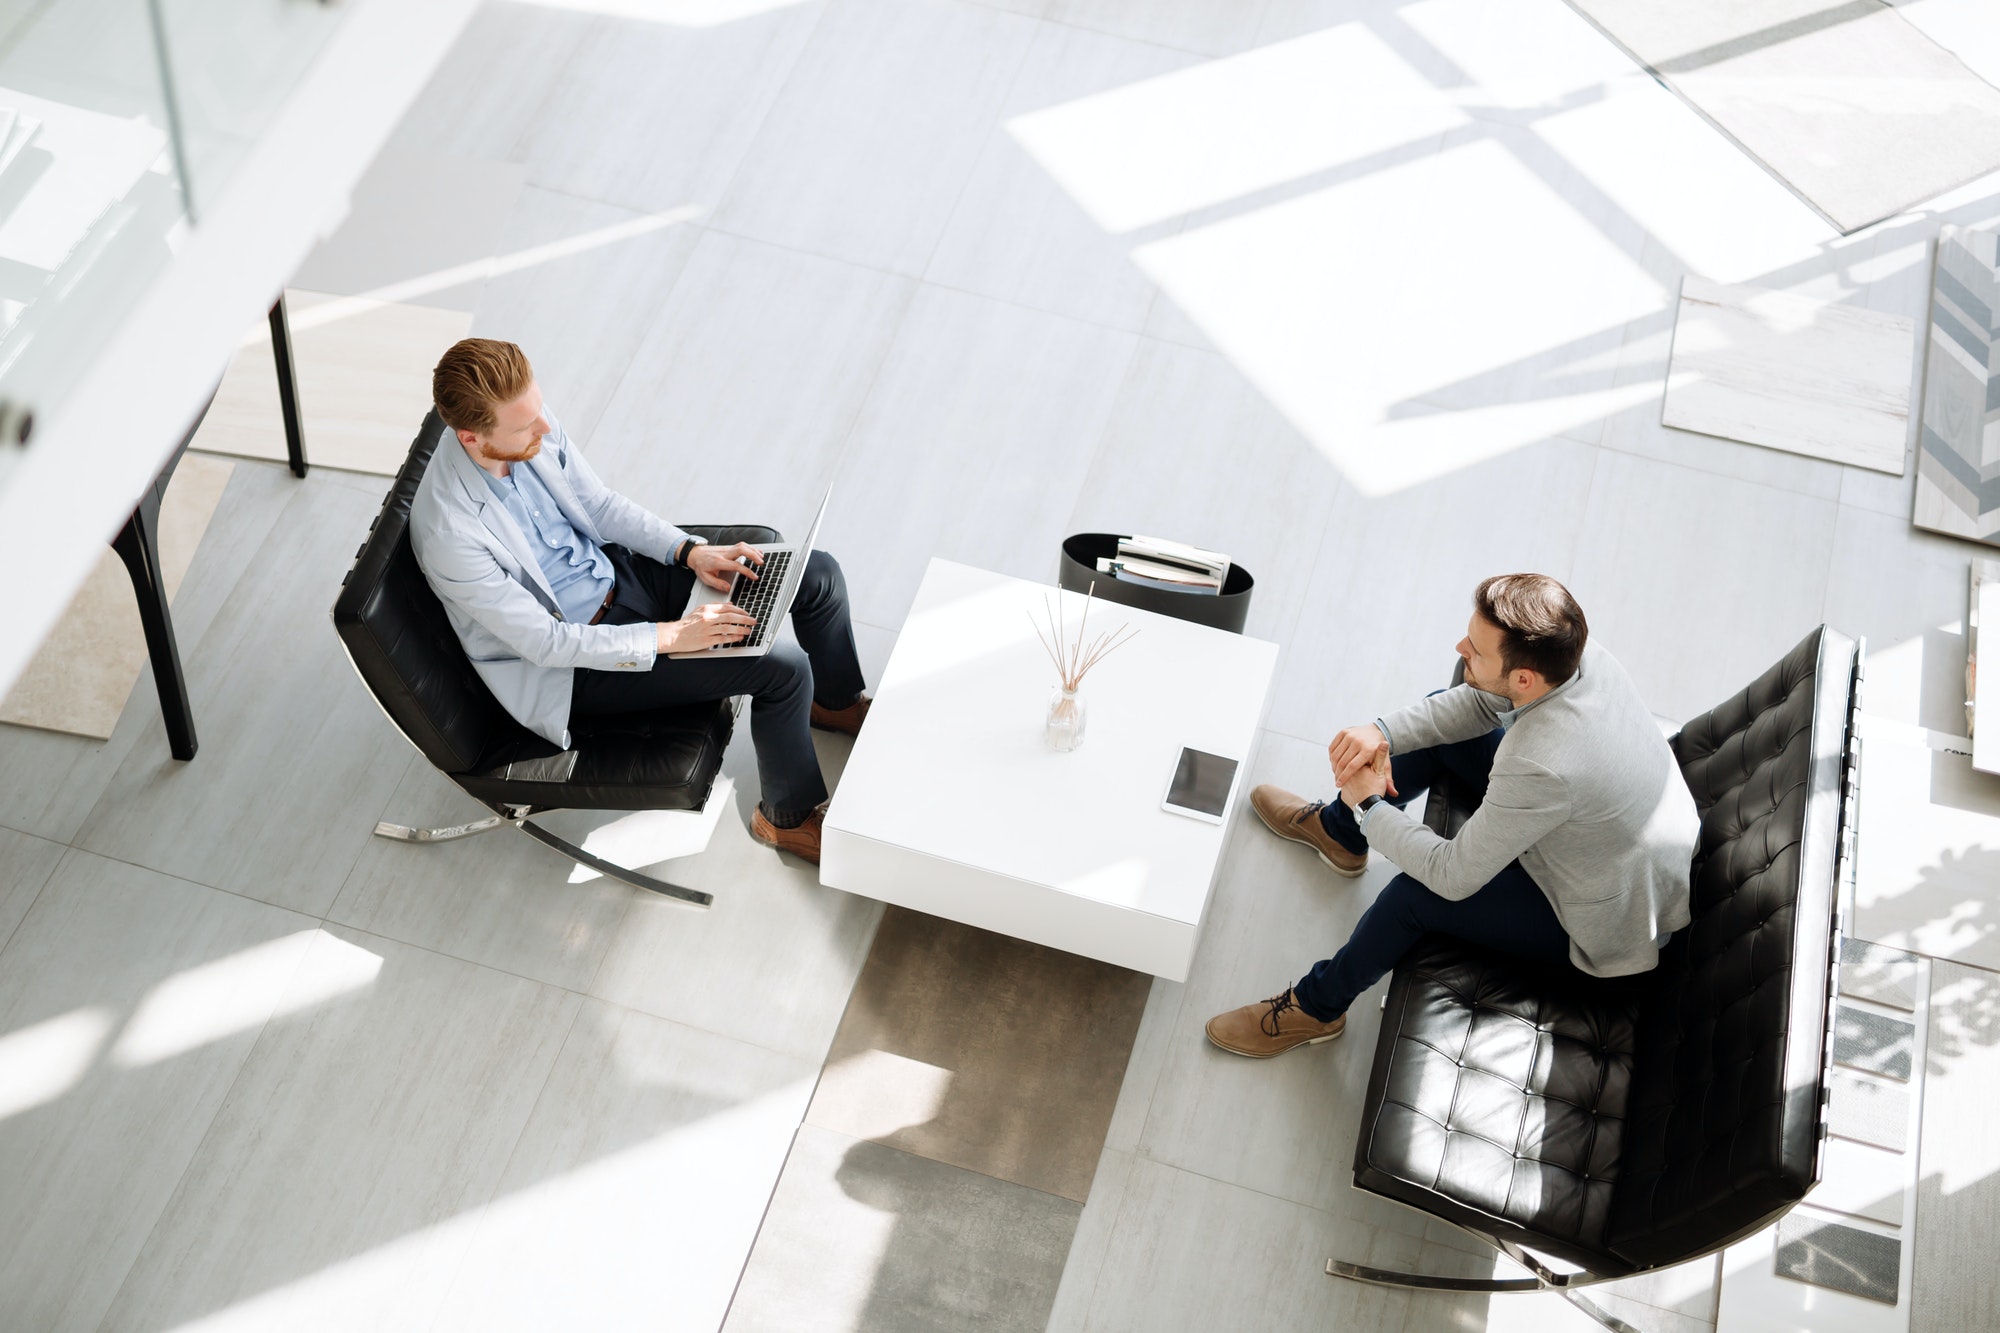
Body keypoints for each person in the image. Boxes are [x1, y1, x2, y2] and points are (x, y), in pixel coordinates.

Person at [408, 338, 868, 864]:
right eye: (525, 428)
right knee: (780, 668)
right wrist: (675, 636)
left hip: (619, 576)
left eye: (539, 412)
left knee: (818, 575)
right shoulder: (449, 531)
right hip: (580, 664)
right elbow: (546, 642)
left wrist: (689, 551)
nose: (544, 429)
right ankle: (786, 819)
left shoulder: (524, 420)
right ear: (472, 437)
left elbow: (598, 506)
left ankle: (835, 705)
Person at [1205, 573, 1699, 1058]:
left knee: (1411, 897)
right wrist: (1381, 732)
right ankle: (1340, 836)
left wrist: (1369, 804)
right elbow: (1473, 704)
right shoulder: (1576, 654)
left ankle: (1317, 1009)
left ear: (1523, 678)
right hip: (1608, 841)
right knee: (1445, 723)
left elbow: (1452, 875)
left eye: (1477, 649)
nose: (1461, 646)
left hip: (1601, 919)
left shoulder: (1540, 761)